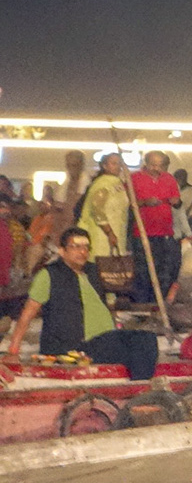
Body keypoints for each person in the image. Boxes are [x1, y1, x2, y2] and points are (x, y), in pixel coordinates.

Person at [6, 227, 160, 378]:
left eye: (86, 247)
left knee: (148, 339)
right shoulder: (49, 274)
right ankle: (141, 390)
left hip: (103, 339)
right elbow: (28, 313)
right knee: (139, 344)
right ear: (62, 251)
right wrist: (13, 351)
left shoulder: (93, 271)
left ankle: (141, 388)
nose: (82, 252)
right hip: (74, 347)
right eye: (76, 247)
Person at [129, 150, 182, 307]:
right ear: (146, 163)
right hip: (142, 234)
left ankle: (158, 305)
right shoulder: (134, 179)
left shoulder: (169, 179)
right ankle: (143, 305)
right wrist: (144, 202)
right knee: (143, 272)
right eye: (153, 165)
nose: (157, 169)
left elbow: (178, 204)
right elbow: (128, 203)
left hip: (165, 233)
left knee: (163, 272)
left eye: (160, 165)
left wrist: (175, 201)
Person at [76, 153, 131, 273]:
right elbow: (97, 210)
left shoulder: (118, 184)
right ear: (105, 166)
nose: (117, 167)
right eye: (113, 163)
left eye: (119, 164)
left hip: (117, 234)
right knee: (100, 271)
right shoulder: (102, 184)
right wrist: (109, 232)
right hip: (101, 236)